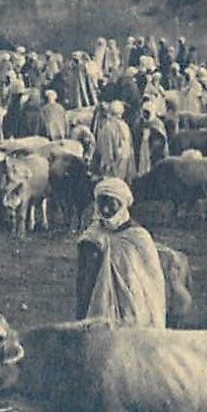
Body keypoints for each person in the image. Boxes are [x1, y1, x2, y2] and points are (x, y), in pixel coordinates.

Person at [76, 179, 167, 328]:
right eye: (101, 203)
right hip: (100, 312)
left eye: (111, 203)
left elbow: (153, 283)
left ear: (123, 203)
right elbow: (83, 283)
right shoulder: (91, 238)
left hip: (135, 311)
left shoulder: (138, 238)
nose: (105, 210)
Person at [91, 101, 134, 181]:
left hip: (112, 167)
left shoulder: (108, 127)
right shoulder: (125, 126)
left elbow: (107, 151)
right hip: (124, 163)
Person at [132, 105, 168, 178]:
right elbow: (135, 136)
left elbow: (161, 140)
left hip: (154, 153)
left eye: (147, 113)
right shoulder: (139, 123)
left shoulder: (157, 123)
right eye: (144, 112)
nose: (145, 115)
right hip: (141, 151)